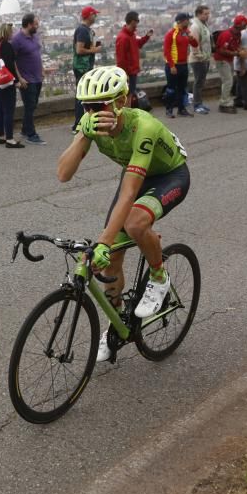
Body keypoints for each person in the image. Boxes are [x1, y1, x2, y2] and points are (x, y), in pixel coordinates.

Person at [57, 66, 190, 362]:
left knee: (133, 224)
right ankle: (116, 326)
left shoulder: (144, 126)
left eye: (99, 105)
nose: (92, 112)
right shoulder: (90, 124)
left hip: (168, 176)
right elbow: (63, 174)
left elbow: (130, 193)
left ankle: (159, 276)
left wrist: (101, 242)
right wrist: (82, 135)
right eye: (86, 106)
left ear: (124, 101)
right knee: (111, 260)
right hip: (135, 175)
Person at [10, 13, 46, 145]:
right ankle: (31, 134)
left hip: (37, 76)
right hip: (26, 79)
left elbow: (37, 54)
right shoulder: (16, 40)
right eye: (36, 24)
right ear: (29, 24)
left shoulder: (34, 36)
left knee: (33, 105)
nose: (38, 26)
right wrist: (18, 78)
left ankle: (25, 129)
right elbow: (12, 60)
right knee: (29, 106)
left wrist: (42, 69)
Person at [211, 15, 247, 113]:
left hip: (228, 59)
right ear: (241, 24)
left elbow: (236, 46)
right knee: (228, 81)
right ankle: (224, 104)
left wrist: (242, 50)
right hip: (221, 60)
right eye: (245, 23)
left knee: (229, 81)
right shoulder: (227, 35)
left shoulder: (238, 34)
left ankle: (226, 101)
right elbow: (221, 50)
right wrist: (237, 53)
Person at [162, 12, 198, 118]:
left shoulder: (186, 32)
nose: (189, 21)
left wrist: (191, 38)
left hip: (183, 65)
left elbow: (195, 45)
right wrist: (172, 65)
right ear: (180, 22)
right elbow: (167, 51)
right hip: (173, 66)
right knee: (171, 89)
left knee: (182, 88)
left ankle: (182, 109)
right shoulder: (171, 34)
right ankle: (169, 110)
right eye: (187, 20)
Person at [114, 11, 153, 107]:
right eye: (137, 20)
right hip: (128, 72)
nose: (138, 23)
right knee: (126, 95)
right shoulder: (123, 37)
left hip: (132, 71)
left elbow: (138, 44)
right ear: (132, 21)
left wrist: (146, 37)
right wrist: (124, 74)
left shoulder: (131, 35)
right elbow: (121, 59)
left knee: (130, 94)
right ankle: (126, 116)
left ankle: (127, 115)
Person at [72, 6, 101, 130]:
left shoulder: (87, 30)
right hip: (82, 67)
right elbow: (79, 49)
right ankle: (78, 124)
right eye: (94, 14)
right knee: (82, 96)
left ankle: (84, 121)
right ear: (89, 15)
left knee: (86, 95)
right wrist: (94, 50)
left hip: (86, 67)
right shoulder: (82, 30)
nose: (96, 16)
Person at [188, 5, 212, 114]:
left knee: (201, 82)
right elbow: (194, 45)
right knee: (198, 82)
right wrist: (200, 56)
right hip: (198, 60)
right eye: (205, 14)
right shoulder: (195, 27)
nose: (207, 16)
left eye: (208, 14)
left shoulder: (203, 25)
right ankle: (197, 104)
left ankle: (199, 102)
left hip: (205, 58)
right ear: (198, 14)